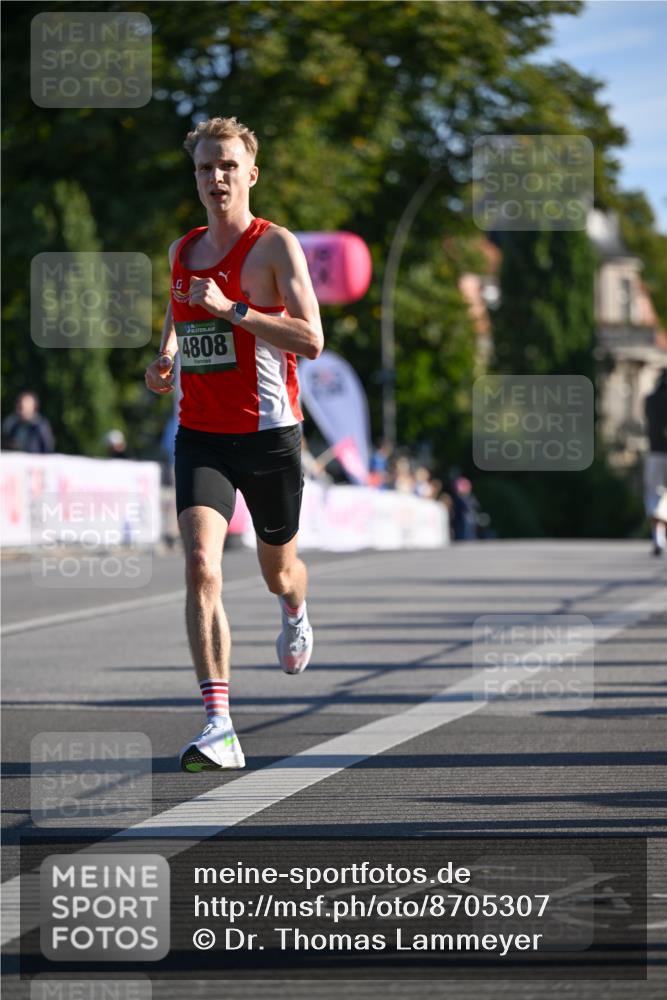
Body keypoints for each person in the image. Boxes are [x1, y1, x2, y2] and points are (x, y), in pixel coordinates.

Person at [144, 116, 323, 773]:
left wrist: (234, 310)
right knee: (199, 565)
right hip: (202, 437)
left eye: (226, 167)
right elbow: (177, 313)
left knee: (278, 569)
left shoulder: (275, 247)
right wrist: (162, 358)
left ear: (250, 173)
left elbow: (311, 339)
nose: (215, 179)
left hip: (270, 436)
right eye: (203, 168)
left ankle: (295, 607)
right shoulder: (182, 250)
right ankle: (218, 722)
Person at [643, 369, 667, 556]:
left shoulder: (650, 400)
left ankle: (658, 535)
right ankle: (660, 535)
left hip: (655, 452)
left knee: (654, 494)